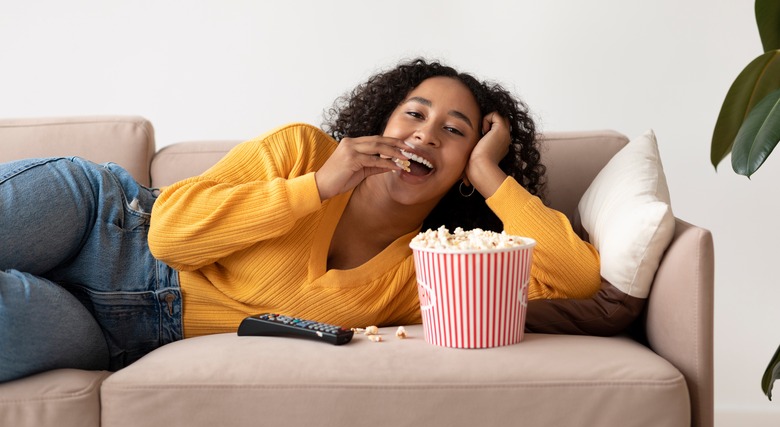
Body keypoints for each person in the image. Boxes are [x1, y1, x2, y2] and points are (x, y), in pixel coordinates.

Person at [0, 58, 600, 383]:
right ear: (382, 122)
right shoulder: (303, 151)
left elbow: (576, 278)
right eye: (414, 113)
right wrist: (317, 187)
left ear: (463, 168)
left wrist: (492, 173)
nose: (424, 132)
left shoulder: (430, 271)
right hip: (101, 221)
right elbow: (170, 234)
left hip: (108, 332)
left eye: (453, 131)